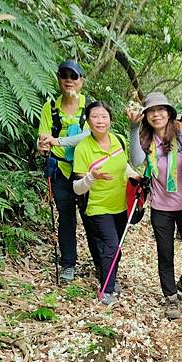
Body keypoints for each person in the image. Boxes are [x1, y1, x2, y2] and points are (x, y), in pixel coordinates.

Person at [128, 92, 182, 319]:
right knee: (165, 252)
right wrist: (133, 128)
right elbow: (136, 161)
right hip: (161, 206)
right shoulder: (146, 140)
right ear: (146, 116)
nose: (156, 115)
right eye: (151, 111)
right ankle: (171, 297)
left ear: (169, 113)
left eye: (160, 110)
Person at [37, 60, 101, 283]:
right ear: (58, 79)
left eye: (73, 76)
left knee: (91, 217)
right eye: (64, 75)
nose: (68, 80)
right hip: (59, 170)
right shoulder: (50, 107)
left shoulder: (89, 107)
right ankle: (68, 264)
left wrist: (57, 140)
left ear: (81, 80)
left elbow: (87, 136)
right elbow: (44, 136)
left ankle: (102, 264)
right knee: (65, 218)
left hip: (84, 171)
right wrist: (44, 144)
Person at [72, 101, 139, 305]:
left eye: (104, 116)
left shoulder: (118, 140)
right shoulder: (83, 148)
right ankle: (107, 289)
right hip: (97, 207)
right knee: (111, 245)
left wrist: (136, 176)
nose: (100, 121)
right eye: (95, 116)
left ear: (110, 119)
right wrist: (91, 177)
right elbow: (77, 188)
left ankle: (108, 273)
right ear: (87, 120)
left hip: (120, 204)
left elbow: (123, 166)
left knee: (114, 246)